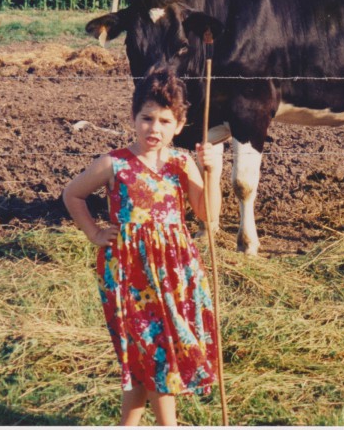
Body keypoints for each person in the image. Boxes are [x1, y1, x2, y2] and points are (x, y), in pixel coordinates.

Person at [63, 69, 223, 426]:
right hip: (129, 274)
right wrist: (92, 232)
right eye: (146, 118)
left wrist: (212, 174)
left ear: (179, 125)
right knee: (156, 351)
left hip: (175, 272)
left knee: (143, 358)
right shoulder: (114, 163)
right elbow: (72, 194)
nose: (154, 128)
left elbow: (207, 215)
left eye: (165, 120)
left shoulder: (182, 164)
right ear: (133, 119)